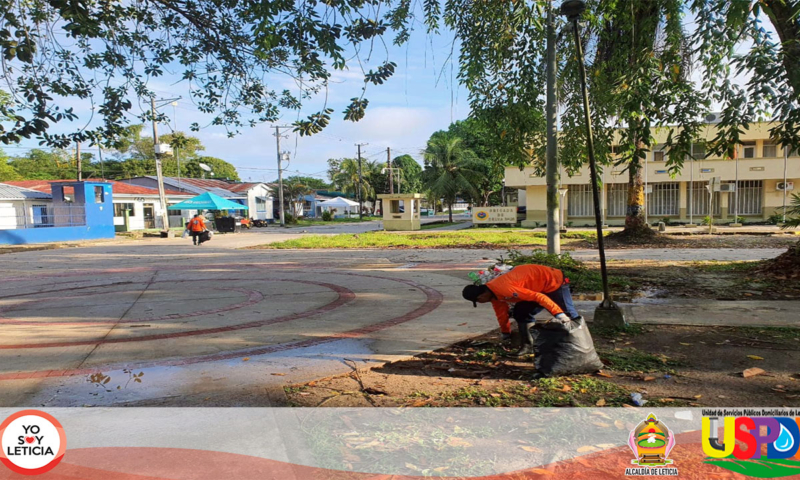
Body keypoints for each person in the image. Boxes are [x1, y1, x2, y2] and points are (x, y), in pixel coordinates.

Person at [462, 264, 582, 356]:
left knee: (568, 314)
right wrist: (505, 332)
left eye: (478, 301)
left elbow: (539, 297)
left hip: (553, 281)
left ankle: (581, 344)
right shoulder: (493, 294)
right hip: (536, 287)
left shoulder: (503, 288)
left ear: (481, 296)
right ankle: (528, 345)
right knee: (521, 312)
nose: (480, 303)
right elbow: (501, 313)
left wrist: (559, 314)